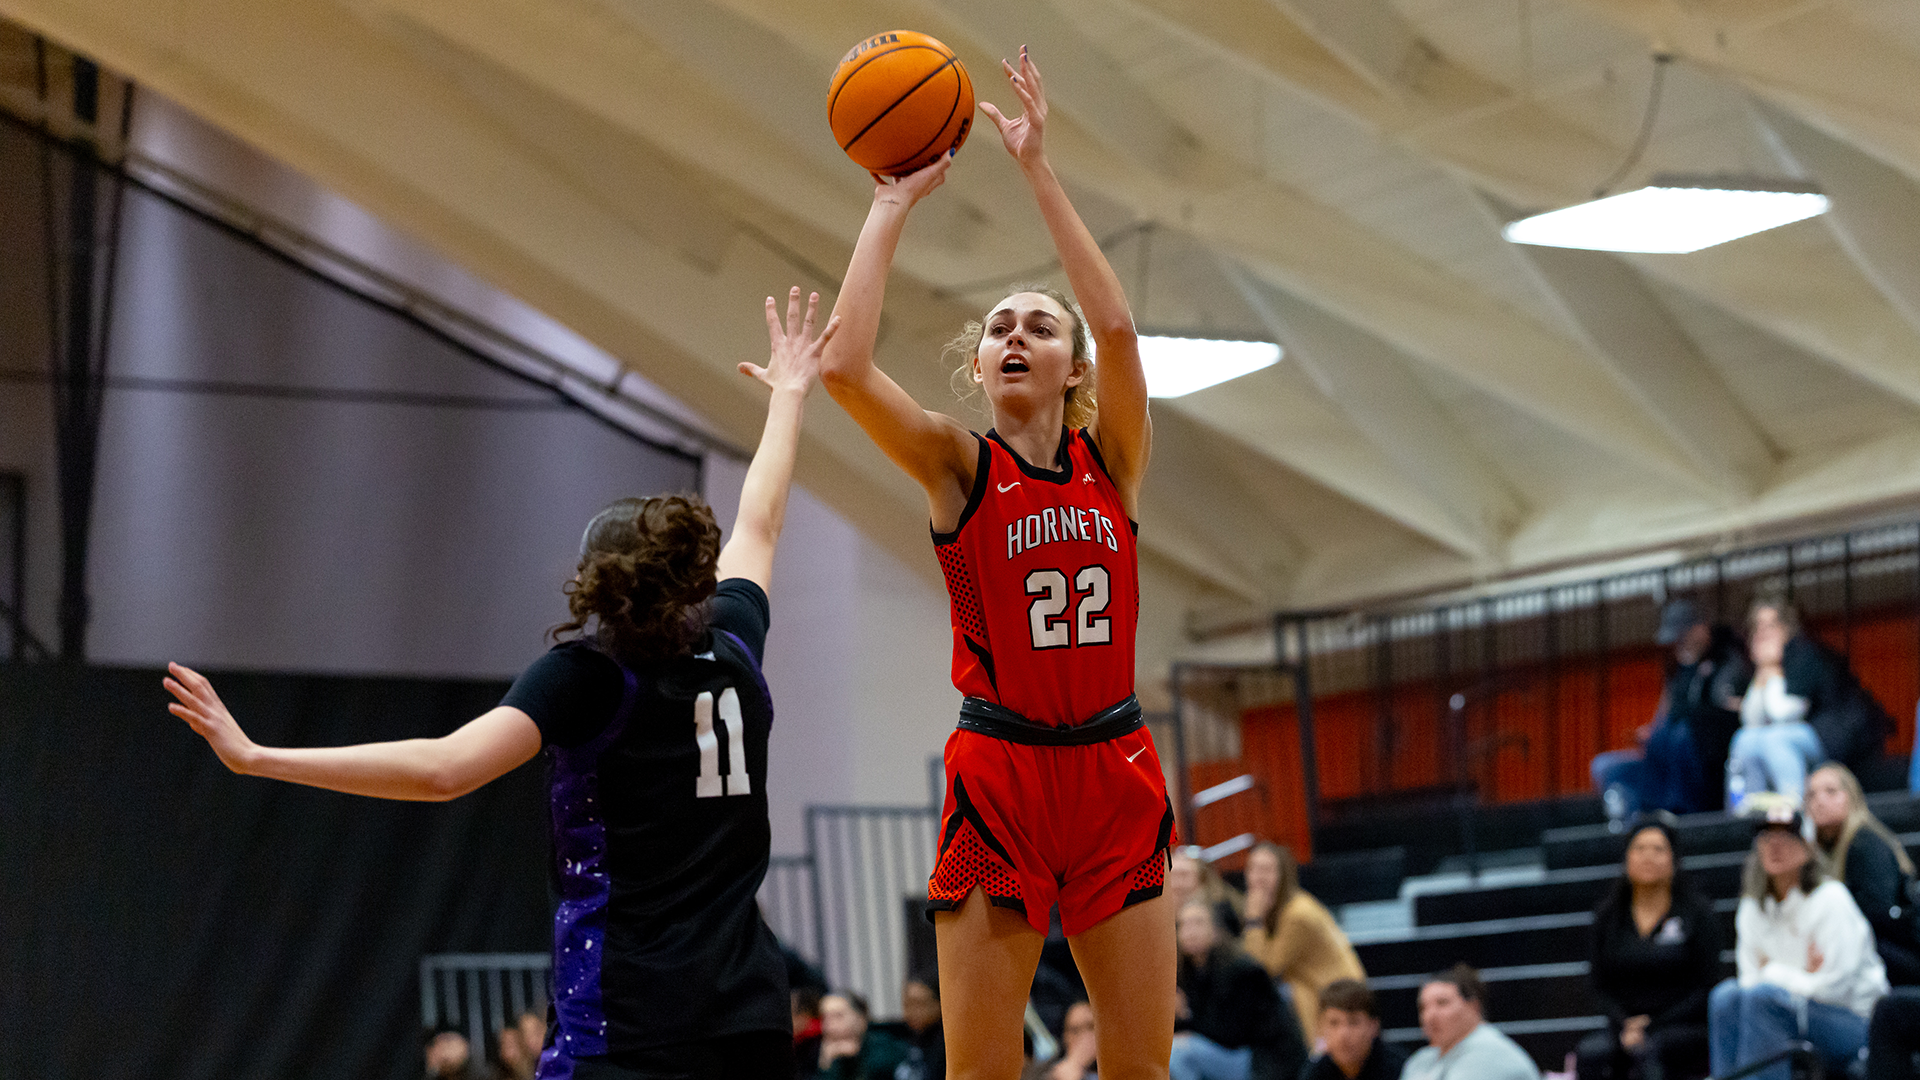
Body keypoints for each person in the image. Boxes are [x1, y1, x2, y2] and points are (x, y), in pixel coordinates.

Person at [165, 290, 841, 1080]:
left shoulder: (588, 676)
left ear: (597, 586)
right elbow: (761, 522)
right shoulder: (732, 641)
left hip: (629, 1018)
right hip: (746, 1018)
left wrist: (260, 756)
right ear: (692, 573)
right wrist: (791, 397)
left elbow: (444, 769)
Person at [818, 45, 1173, 1080]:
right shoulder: (955, 466)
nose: (1018, 334)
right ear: (980, 365)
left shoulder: (1114, 460)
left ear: (1070, 371)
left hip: (1116, 770)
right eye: (1001, 328)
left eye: (1039, 327)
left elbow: (1117, 321)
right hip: (1000, 776)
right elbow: (843, 367)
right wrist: (890, 203)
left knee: (1143, 1070)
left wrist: (1037, 168)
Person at [1709, 803, 1888, 1080]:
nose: (1775, 846)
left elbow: (1835, 989)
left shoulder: (1831, 900)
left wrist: (1774, 972)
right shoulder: (1751, 908)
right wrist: (1803, 975)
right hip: (1791, 1011)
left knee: (1765, 998)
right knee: (1726, 997)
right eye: (1767, 838)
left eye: (1786, 838)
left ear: (1807, 847)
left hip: (1856, 1022)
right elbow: (1747, 982)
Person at [1575, 815, 1720, 1080]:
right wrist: (1625, 1024)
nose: (1648, 856)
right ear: (1626, 859)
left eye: (1658, 849)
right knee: (1592, 1053)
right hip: (1624, 1026)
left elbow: (1707, 985)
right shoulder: (1608, 917)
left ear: (1674, 860)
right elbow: (1598, 985)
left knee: (1654, 1050)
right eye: (1639, 849)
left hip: (1684, 1025)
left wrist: (1654, 1025)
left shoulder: (1696, 913)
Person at [1592, 600, 1749, 822]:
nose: (1679, 643)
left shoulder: (1729, 658)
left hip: (1708, 764)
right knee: (1608, 768)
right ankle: (1635, 831)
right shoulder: (1680, 671)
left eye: (1683, 635)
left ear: (1700, 628)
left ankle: (1674, 816)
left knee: (1680, 735)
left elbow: (1720, 716)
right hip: (1666, 761)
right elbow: (1666, 717)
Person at [1729, 597, 1894, 806]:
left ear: (1788, 627)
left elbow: (1785, 714)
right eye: (1757, 626)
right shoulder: (1765, 664)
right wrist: (1762, 675)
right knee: (1744, 740)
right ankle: (1746, 813)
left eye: (1771, 625)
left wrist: (1772, 673)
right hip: (1796, 736)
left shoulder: (1805, 654)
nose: (1763, 633)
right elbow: (1751, 721)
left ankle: (1795, 812)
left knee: (1775, 740)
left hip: (1833, 737)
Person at [1237, 841, 1364, 1045]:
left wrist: (1254, 920)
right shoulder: (1287, 906)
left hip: (1338, 997)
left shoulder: (1297, 914)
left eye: (1267, 870)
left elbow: (1263, 969)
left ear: (1283, 875)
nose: (1259, 878)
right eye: (1253, 869)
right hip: (1319, 991)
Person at [1809, 763, 1920, 985]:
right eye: (1811, 795)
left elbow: (1878, 915)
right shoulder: (1824, 852)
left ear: (1851, 797)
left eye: (1831, 792)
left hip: (1900, 955)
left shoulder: (1865, 843)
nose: (1819, 801)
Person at [1170, 900, 1305, 1080]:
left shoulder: (1241, 970)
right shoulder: (1188, 971)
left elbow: (1231, 1035)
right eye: (1184, 924)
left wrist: (1186, 1015)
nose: (1190, 931)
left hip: (1260, 1058)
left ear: (1216, 929)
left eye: (1198, 922)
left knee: (1178, 1052)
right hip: (1231, 1054)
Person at [1400, 964, 1540, 1080]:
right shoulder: (1421, 1060)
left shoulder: (1491, 1053)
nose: (1430, 1016)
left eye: (1442, 1003)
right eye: (1423, 1008)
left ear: (1473, 1007)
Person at [1299, 979, 1405, 1080]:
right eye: (1334, 1023)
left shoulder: (1402, 1070)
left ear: (1373, 1026)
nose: (1343, 1034)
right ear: (1321, 1027)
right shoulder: (1315, 1073)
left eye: (1354, 1022)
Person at [814, 993, 909, 1080]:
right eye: (824, 1018)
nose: (829, 1026)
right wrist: (826, 1065)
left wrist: (856, 1057)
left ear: (861, 1019)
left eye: (838, 1016)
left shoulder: (885, 1047)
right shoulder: (818, 1051)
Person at [1169, 848, 1244, 937]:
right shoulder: (1161, 911)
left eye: (1184, 875)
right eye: (1173, 876)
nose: (1178, 883)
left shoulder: (1221, 910)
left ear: (1201, 879)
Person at [896, 971, 948, 1080]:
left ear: (938, 1004)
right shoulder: (899, 1039)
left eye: (918, 1004)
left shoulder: (947, 1047)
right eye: (907, 1004)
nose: (912, 1011)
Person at [1043, 1001, 1099, 1080]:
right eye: (1075, 1031)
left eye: (1090, 1027)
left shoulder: (1118, 1065)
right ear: (1065, 1038)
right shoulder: (1047, 1070)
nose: (1084, 1037)